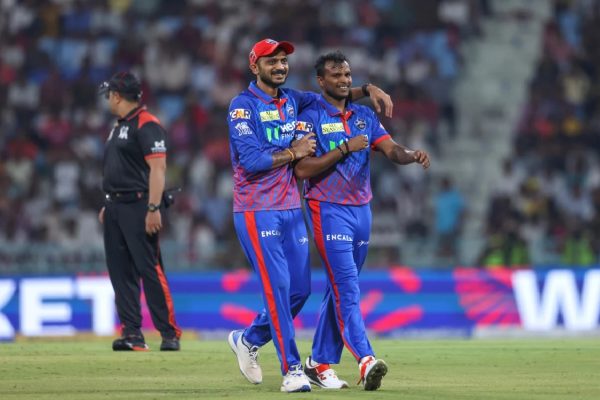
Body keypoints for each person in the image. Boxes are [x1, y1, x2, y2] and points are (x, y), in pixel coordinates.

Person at [226, 39, 393, 393]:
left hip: (290, 209)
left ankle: (248, 339)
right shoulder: (242, 107)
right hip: (257, 209)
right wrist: (294, 152)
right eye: (271, 61)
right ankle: (292, 370)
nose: (280, 66)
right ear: (254, 66)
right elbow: (252, 161)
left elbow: (336, 94)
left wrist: (369, 89)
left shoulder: (293, 100)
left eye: (283, 60)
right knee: (279, 289)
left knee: (300, 292)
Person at [293, 51, 430, 390]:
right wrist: (344, 148)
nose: (343, 80)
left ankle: (318, 362)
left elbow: (391, 148)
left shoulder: (364, 116)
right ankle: (366, 359)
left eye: (347, 75)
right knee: (348, 287)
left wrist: (411, 155)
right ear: (321, 81)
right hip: (328, 209)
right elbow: (302, 169)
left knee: (339, 289)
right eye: (336, 75)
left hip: (362, 210)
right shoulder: (309, 117)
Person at [98, 71, 181, 351]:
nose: (108, 99)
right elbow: (121, 169)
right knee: (120, 272)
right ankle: (132, 334)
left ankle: (169, 333)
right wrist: (108, 203)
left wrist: (153, 207)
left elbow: (158, 168)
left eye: (109, 94)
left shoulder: (147, 124)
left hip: (139, 204)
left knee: (150, 268)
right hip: (115, 205)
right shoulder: (119, 126)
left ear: (117, 96)